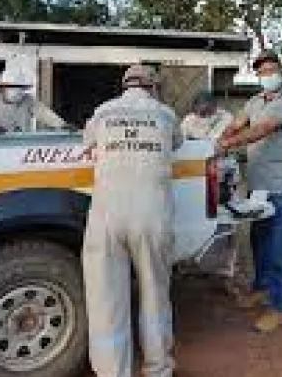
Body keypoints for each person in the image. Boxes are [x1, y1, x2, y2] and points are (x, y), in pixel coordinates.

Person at [82, 64, 182, 377]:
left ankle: (113, 371)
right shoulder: (165, 114)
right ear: (152, 86)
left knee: (105, 297)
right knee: (154, 293)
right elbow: (177, 143)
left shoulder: (103, 111)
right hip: (152, 214)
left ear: (124, 85)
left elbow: (87, 141)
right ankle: (158, 368)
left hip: (107, 214)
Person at [217, 49, 282, 333]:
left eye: (272, 70)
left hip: (279, 185)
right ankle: (262, 289)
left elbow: (264, 129)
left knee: (278, 248)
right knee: (259, 242)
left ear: (281, 71)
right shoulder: (255, 101)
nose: (267, 75)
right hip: (257, 187)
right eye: (262, 71)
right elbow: (237, 123)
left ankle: (281, 307)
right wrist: (220, 137)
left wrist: (228, 144)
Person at [0, 66, 69, 135]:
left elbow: (46, 114)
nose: (16, 90)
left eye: (19, 87)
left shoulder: (28, 101)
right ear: (2, 88)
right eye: (11, 87)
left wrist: (63, 125)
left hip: (18, 147)